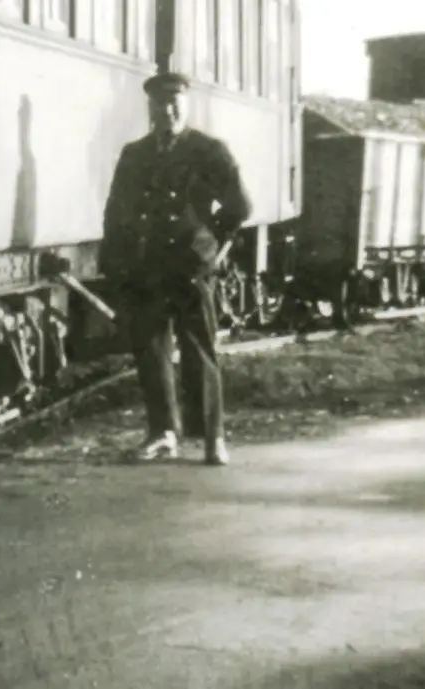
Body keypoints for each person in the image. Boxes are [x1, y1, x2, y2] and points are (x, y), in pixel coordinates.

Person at [100, 72, 252, 466]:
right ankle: (162, 432)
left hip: (189, 266)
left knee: (199, 349)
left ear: (186, 104)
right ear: (149, 108)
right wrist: (115, 265)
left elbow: (240, 207)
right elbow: (116, 213)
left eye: (174, 103)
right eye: (158, 104)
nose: (166, 111)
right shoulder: (135, 154)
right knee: (151, 349)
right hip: (147, 266)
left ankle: (212, 438)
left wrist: (209, 242)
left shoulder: (208, 151)